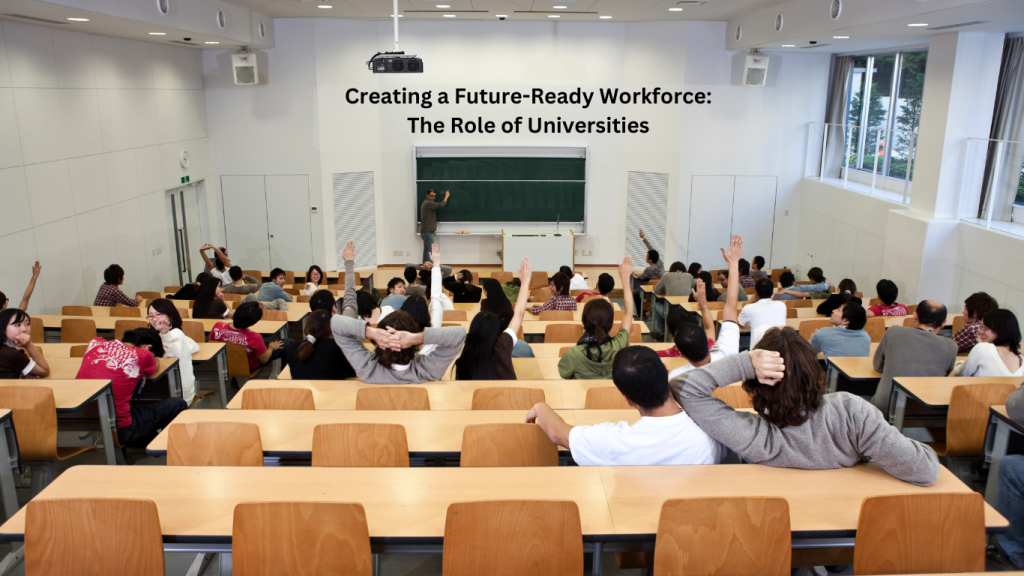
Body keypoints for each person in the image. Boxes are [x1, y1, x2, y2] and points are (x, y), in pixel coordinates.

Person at [671, 327, 940, 486]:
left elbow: (684, 389)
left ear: (755, 381)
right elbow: (926, 470)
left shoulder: (752, 435)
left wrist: (746, 363)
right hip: (842, 526)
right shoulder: (852, 413)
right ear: (815, 371)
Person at [527, 346, 722, 466]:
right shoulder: (712, 429)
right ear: (667, 372)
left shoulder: (614, 441)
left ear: (628, 400)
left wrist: (541, 406)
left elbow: (558, 433)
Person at [76, 328, 187, 447]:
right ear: (147, 347)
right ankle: (166, 449)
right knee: (177, 404)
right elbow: (156, 365)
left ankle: (147, 443)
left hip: (82, 417)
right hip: (121, 428)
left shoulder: (96, 342)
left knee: (135, 410)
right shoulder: (143, 355)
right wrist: (148, 360)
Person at [669, 236, 743, 379]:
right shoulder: (726, 353)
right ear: (708, 342)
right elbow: (731, 306)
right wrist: (733, 263)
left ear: (681, 354)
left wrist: (702, 302)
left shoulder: (677, 376)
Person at [871, 300, 957, 411]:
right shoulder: (951, 346)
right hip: (925, 412)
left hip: (886, 408)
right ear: (943, 323)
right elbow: (945, 375)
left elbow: (878, 366)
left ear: (915, 315)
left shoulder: (893, 332)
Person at [454, 258, 532, 380]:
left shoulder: (463, 358)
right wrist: (525, 282)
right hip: (506, 397)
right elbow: (519, 314)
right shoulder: (503, 345)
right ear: (496, 329)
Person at [558, 257, 634, 379]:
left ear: (584, 321)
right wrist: (625, 280)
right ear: (610, 323)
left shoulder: (573, 355)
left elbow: (564, 377)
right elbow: (629, 313)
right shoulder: (620, 344)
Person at [146, 299, 201, 405]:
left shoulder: (175, 333)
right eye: (150, 316)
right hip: (169, 389)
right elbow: (195, 347)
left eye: (158, 314)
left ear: (170, 315)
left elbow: (173, 357)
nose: (154, 319)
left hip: (178, 394)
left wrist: (164, 333)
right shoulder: (161, 335)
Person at [210, 302, 282, 373]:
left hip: (221, 364)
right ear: (254, 322)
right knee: (287, 343)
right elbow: (264, 359)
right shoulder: (255, 337)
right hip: (246, 367)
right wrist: (271, 347)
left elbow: (211, 344)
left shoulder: (218, 326)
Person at [283, 309, 356, 380]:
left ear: (306, 326)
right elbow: (352, 372)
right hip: (333, 392)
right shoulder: (336, 346)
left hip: (303, 392)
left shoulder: (291, 349)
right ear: (330, 329)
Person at [954, 309, 1023, 377]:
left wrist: (981, 345)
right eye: (981, 327)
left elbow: (960, 374)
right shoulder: (1021, 360)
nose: (980, 331)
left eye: (984, 327)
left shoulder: (983, 349)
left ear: (999, 329)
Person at [651, 262, 695, 340]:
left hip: (671, 313)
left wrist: (667, 290)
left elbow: (656, 290)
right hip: (688, 312)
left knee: (656, 305)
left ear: (671, 269)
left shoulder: (667, 275)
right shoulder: (690, 276)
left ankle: (662, 334)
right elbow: (693, 289)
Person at [738, 278, 787, 347]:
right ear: (772, 292)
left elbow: (740, 322)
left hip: (759, 350)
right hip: (780, 348)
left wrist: (750, 301)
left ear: (756, 293)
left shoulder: (748, 308)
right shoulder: (782, 305)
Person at [0, 308, 49, 378]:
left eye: (27, 323)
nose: (24, 329)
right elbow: (44, 370)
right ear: (3, 327)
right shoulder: (13, 354)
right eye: (17, 325)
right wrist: (29, 345)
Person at [631, 228, 664, 317]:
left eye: (647, 256)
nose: (646, 256)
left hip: (653, 291)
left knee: (636, 294)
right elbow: (651, 249)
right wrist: (644, 238)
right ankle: (647, 310)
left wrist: (636, 272)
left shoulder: (649, 269)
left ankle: (640, 314)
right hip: (662, 289)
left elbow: (641, 277)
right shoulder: (660, 263)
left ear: (650, 259)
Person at [419, 188, 449, 264]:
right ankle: (429, 270)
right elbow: (441, 204)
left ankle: (425, 268)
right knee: (429, 253)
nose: (433, 198)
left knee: (426, 252)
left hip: (426, 231)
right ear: (427, 195)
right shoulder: (428, 203)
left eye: (434, 196)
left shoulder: (427, 203)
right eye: (431, 196)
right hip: (427, 231)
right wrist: (446, 196)